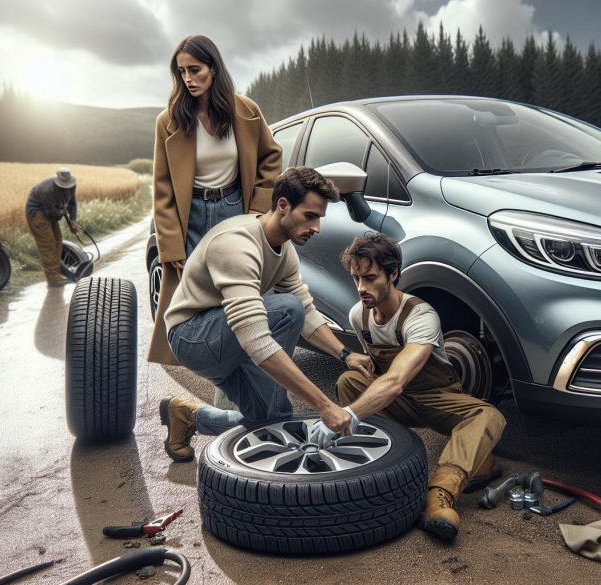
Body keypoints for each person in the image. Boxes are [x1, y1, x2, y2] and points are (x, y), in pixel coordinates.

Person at [159, 166, 372, 462]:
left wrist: (344, 355)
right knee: (286, 308)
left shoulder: (284, 250)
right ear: (283, 205)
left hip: (226, 337)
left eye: (320, 218)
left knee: (272, 420)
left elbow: (308, 312)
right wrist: (325, 405)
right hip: (193, 337)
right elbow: (256, 339)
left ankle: (190, 417)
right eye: (310, 216)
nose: (317, 228)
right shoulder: (237, 244)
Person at [330, 233, 506, 543]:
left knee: (486, 416)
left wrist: (349, 414)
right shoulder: (359, 316)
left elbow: (396, 379)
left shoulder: (421, 316)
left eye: (370, 278)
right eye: (356, 278)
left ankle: (439, 495)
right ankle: (373, 470)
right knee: (349, 382)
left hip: (438, 398)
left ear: (394, 273)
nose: (361, 288)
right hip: (398, 401)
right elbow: (380, 374)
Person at [148, 34, 282, 367]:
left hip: (234, 210)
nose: (188, 79)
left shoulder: (246, 111)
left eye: (195, 70)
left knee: (240, 293)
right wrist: (172, 245)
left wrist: (256, 213)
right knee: (194, 302)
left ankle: (243, 364)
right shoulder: (169, 121)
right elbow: (162, 187)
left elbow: (271, 157)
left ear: (214, 68)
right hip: (190, 215)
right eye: (181, 72)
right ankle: (209, 367)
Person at [25, 167, 79, 287]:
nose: (66, 187)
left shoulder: (72, 184)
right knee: (48, 244)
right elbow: (52, 214)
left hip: (53, 210)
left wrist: (73, 221)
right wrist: (61, 212)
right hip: (38, 213)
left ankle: (57, 273)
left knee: (57, 241)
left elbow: (72, 203)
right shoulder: (46, 190)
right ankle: (53, 278)